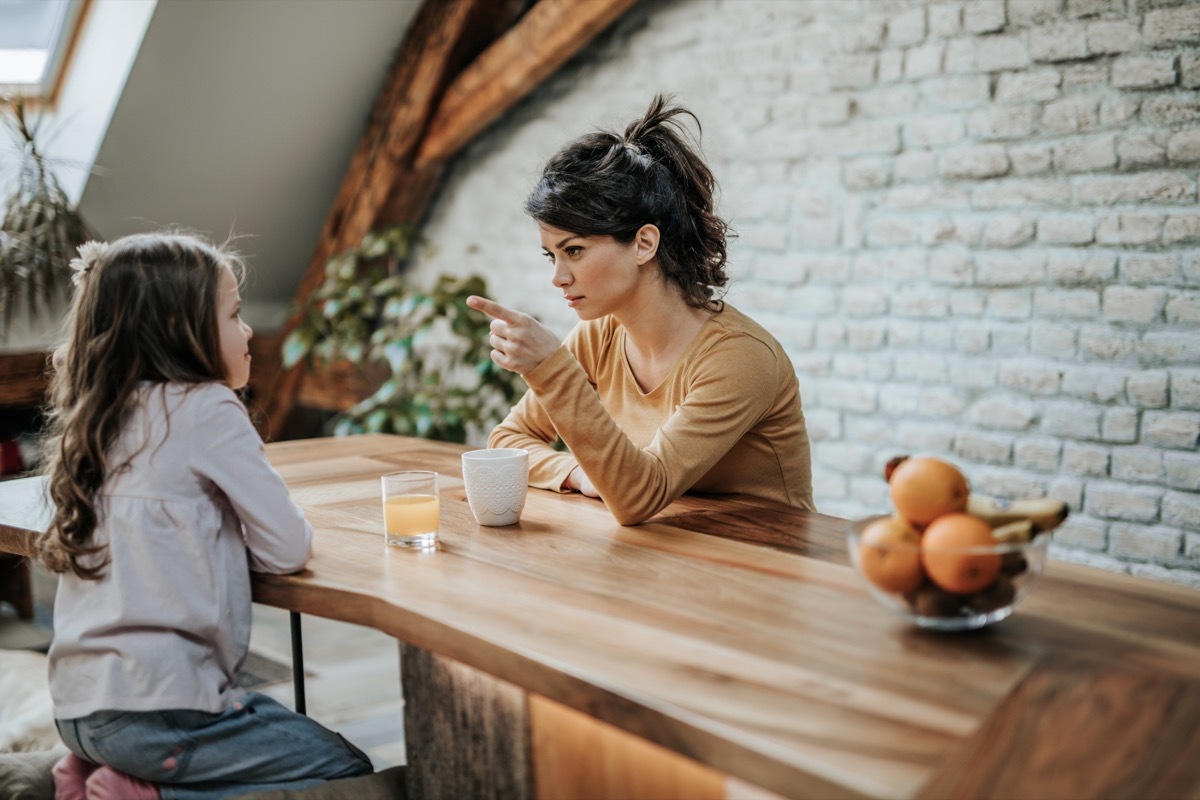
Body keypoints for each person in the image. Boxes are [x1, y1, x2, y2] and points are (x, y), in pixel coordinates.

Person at [36, 233, 373, 800]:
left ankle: (97, 770)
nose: (247, 332)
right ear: (178, 329)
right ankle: (147, 793)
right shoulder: (207, 406)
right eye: (235, 313)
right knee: (345, 766)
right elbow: (287, 549)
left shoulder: (99, 415)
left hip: (79, 708)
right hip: (161, 712)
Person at [467, 95, 813, 525]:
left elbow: (636, 496)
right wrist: (577, 474)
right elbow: (507, 439)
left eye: (573, 250)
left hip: (764, 567)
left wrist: (550, 367)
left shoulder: (739, 357)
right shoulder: (600, 336)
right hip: (662, 557)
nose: (558, 277)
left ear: (644, 244)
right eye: (550, 256)